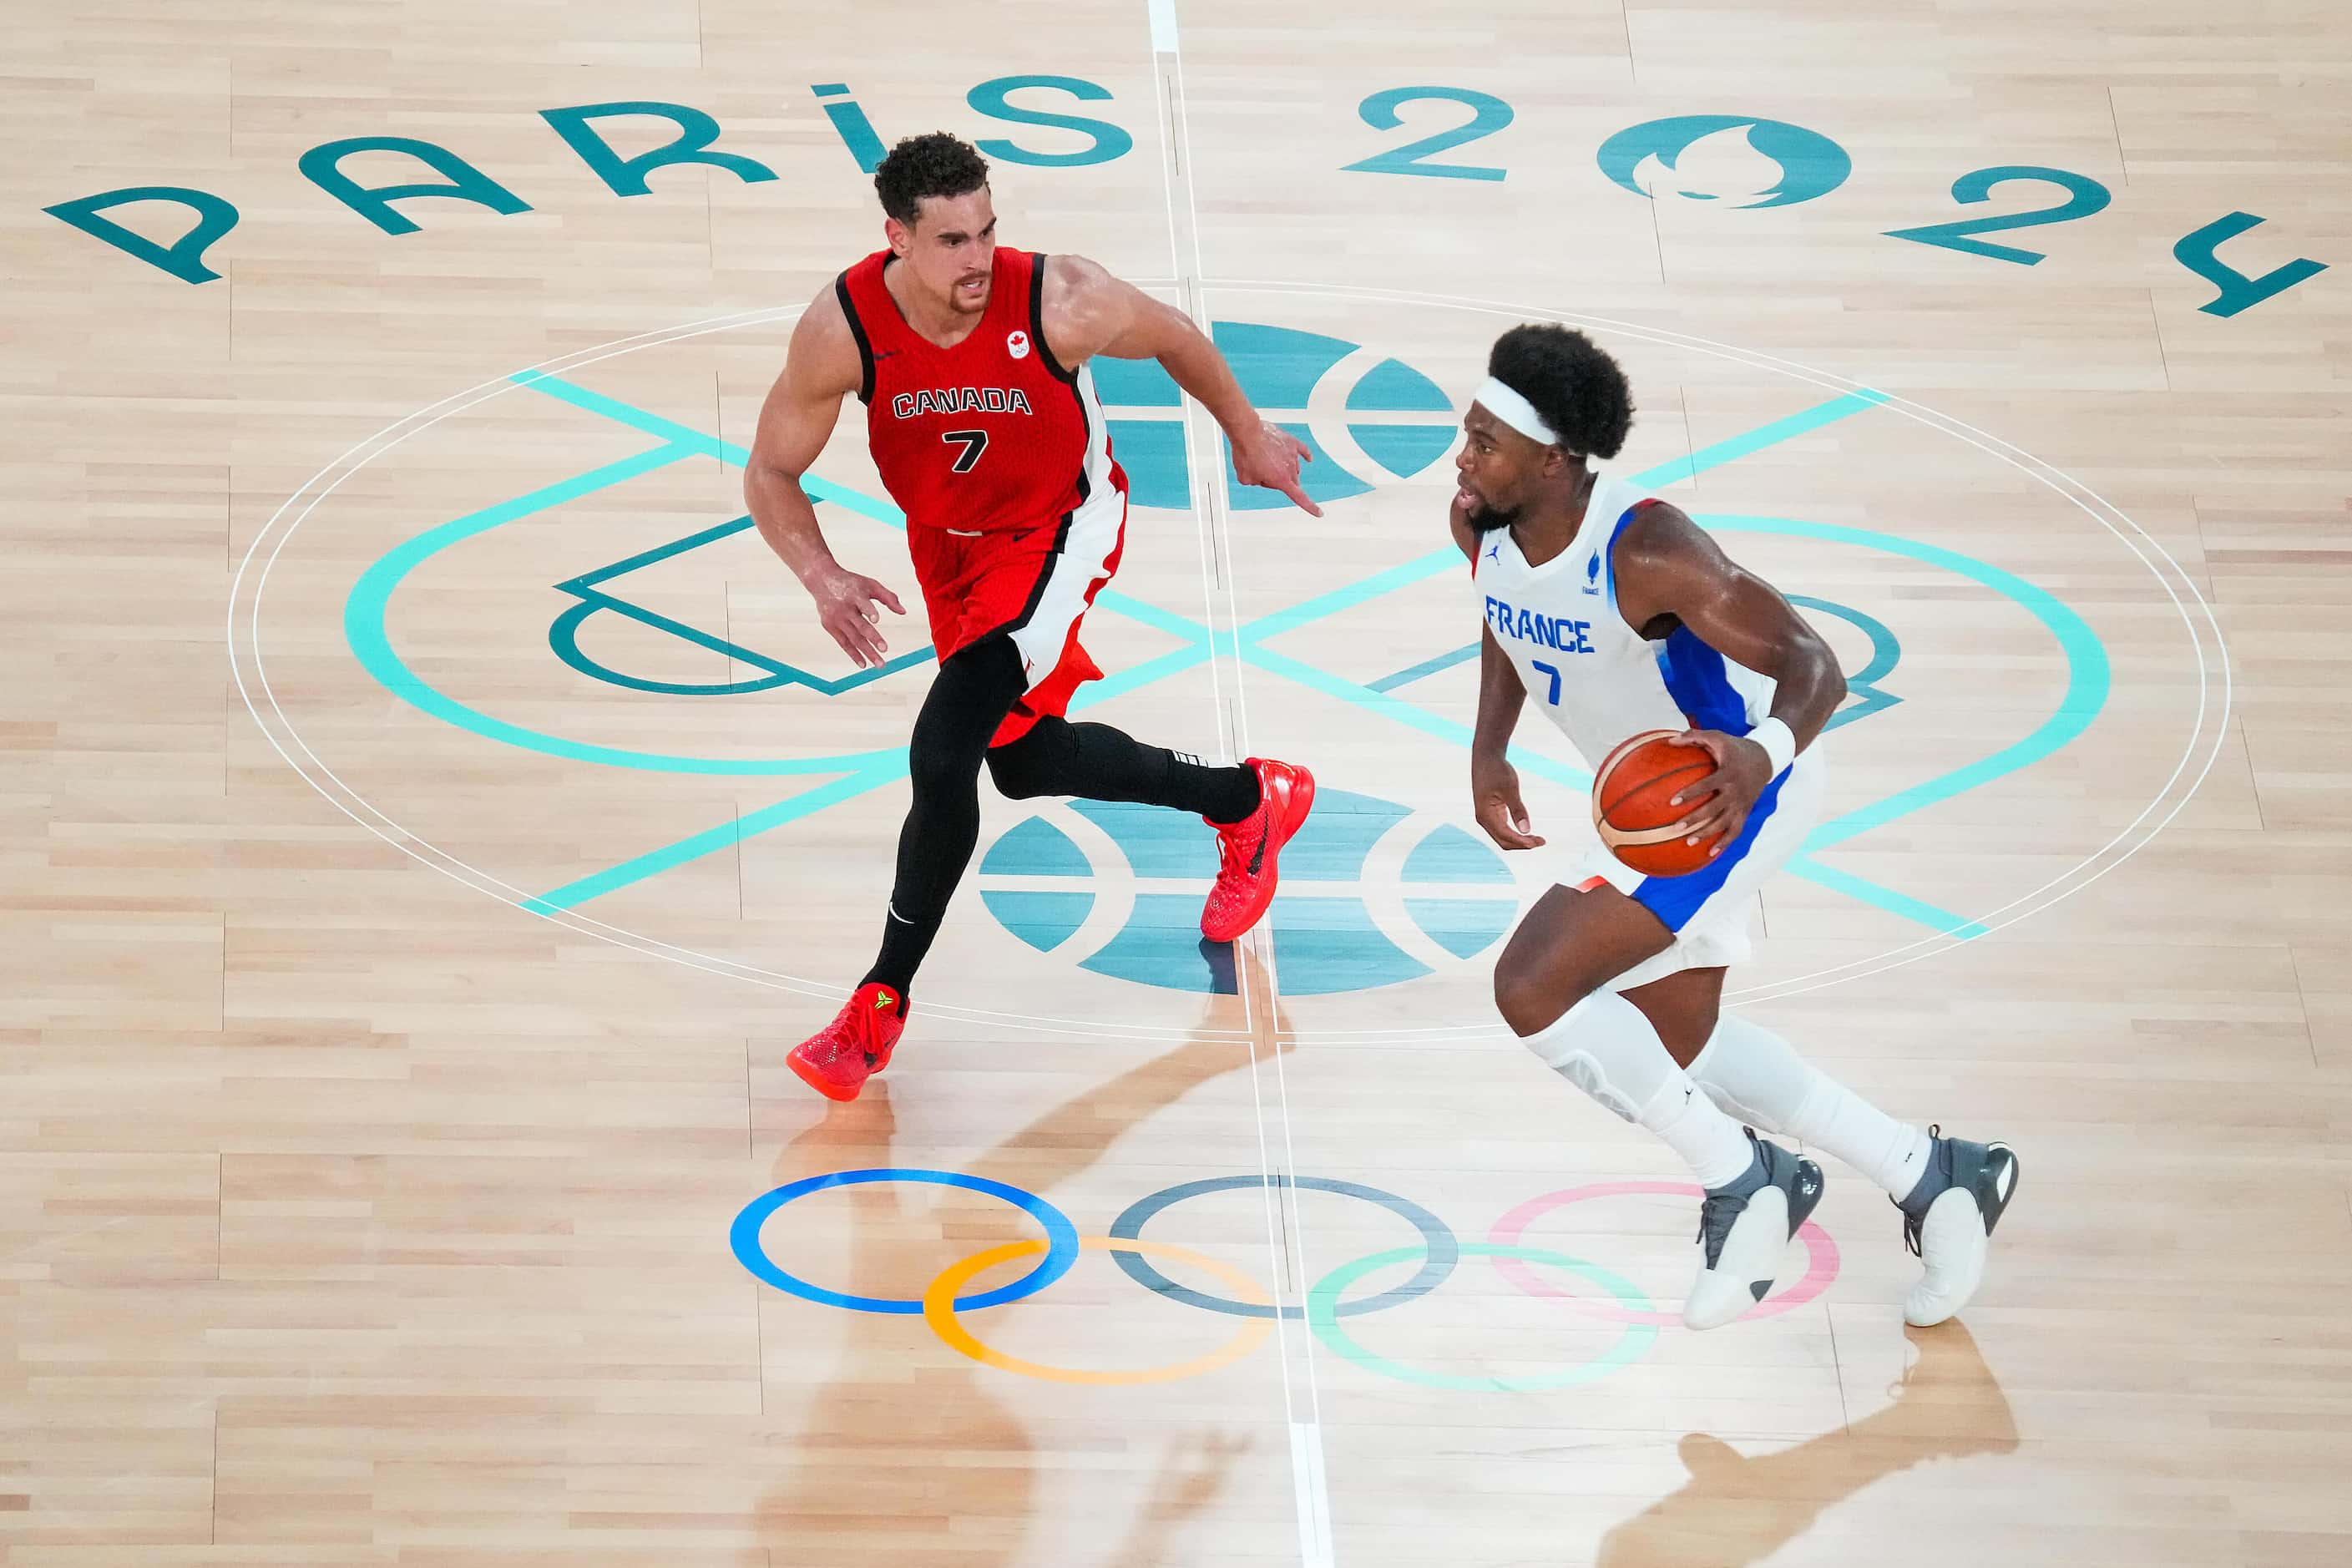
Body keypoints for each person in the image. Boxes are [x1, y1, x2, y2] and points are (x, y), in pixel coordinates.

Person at [1452, 323, 2018, 1328]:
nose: (1464, 456)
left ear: (1552, 460)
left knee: (1532, 982)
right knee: (1679, 1041)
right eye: (1468, 431)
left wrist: (1765, 752)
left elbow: (1817, 663)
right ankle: (1933, 1172)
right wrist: (1489, 746)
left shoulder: (1650, 549)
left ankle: (1745, 1178)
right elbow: (1503, 609)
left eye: (1486, 441)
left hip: (1730, 793)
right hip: (1651, 814)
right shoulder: (1483, 519)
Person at [745, 132, 1318, 1102]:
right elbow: (770, 470)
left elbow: (1174, 333)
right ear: (897, 238)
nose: (977, 259)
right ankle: (1246, 802)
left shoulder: (1059, 298)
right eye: (952, 241)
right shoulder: (842, 326)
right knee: (1020, 760)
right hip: (947, 547)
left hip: (1058, 534)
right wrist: (822, 574)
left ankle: (876, 1005)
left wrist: (1248, 431)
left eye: (987, 232)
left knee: (944, 746)